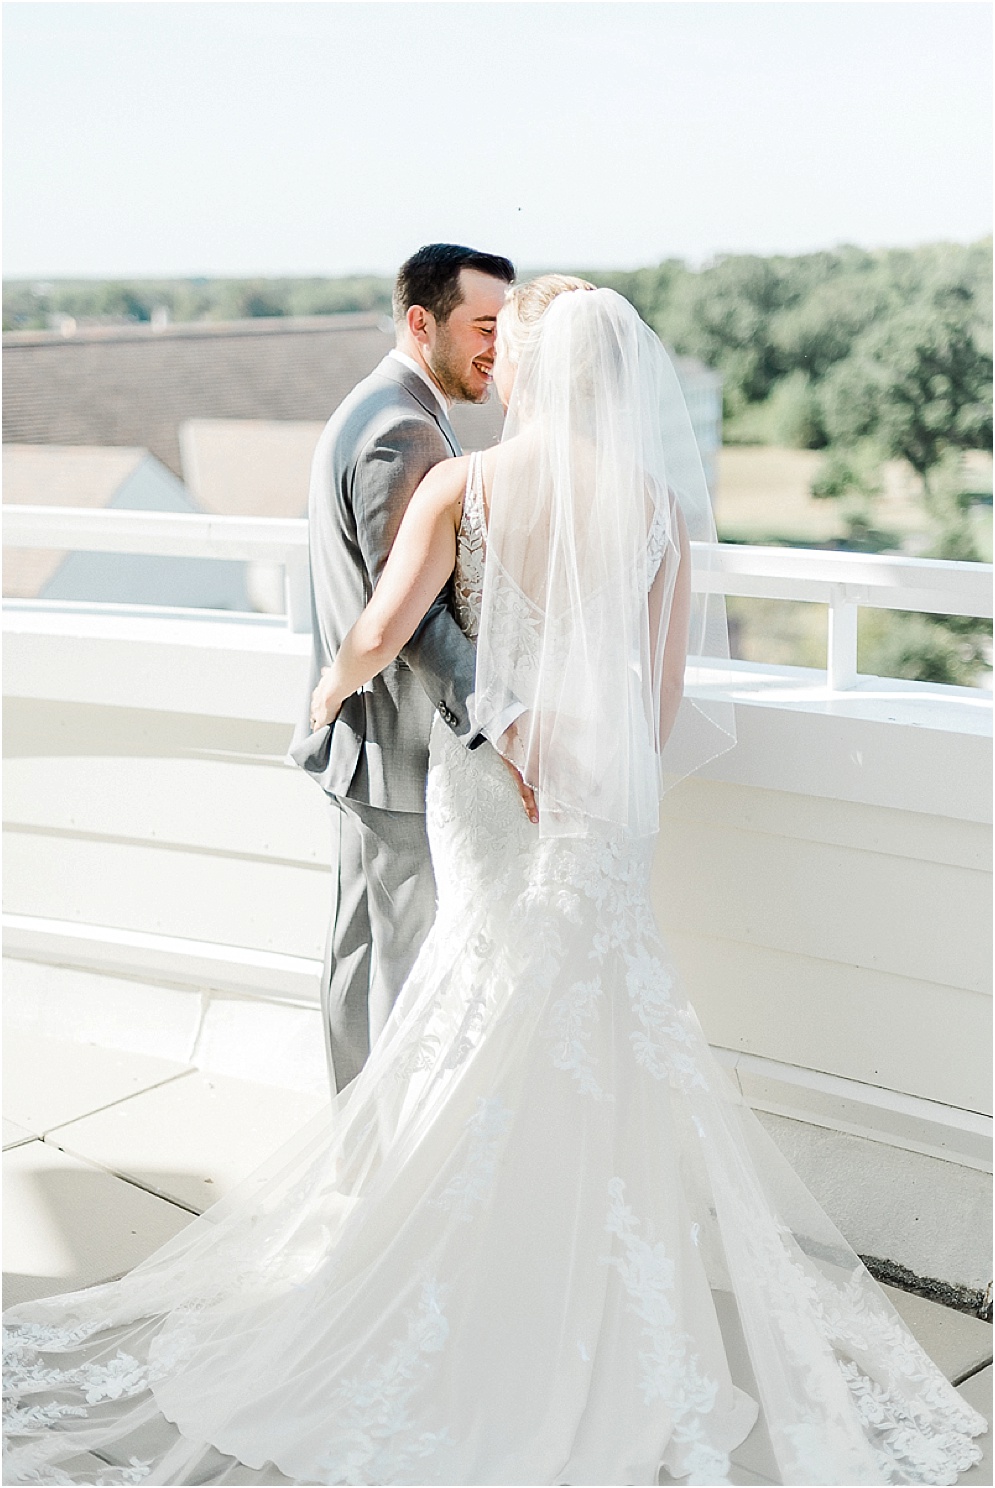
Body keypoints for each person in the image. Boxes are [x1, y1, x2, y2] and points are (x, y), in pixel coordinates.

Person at [3, 282, 986, 1487]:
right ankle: (588, 1285)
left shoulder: (461, 487)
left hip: (493, 788)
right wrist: (593, 771)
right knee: (601, 1020)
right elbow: (661, 699)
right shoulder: (655, 506)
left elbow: (381, 629)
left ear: (523, 364)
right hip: (606, 803)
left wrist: (329, 692)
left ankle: (452, 1263)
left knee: (474, 1000)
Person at [289, 242, 524, 1094]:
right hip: (391, 742)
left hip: (368, 732)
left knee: (364, 947)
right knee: (393, 962)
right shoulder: (399, 428)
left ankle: (359, 1150)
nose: (499, 348)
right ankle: (374, 1159)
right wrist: (500, 716)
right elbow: (411, 615)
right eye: (485, 326)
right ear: (422, 321)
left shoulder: (380, 405)